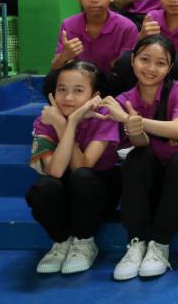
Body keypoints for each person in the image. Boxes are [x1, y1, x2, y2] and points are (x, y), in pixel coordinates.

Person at [104, 35, 178, 281]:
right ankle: (136, 242)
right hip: (153, 189)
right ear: (133, 60)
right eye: (145, 59)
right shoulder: (124, 100)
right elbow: (138, 143)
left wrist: (129, 119)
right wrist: (131, 124)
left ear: (170, 67)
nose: (151, 68)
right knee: (138, 157)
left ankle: (160, 243)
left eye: (160, 63)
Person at [25, 61, 120, 275]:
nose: (68, 98)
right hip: (65, 188)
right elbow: (55, 172)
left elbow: (82, 166)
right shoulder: (46, 119)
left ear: (94, 96)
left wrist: (67, 123)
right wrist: (63, 124)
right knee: (44, 188)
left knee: (82, 177)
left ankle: (85, 241)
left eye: (78, 91)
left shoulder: (105, 115)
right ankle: (61, 241)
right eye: (62, 90)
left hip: (97, 191)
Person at [45, 0, 138, 97]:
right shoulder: (68, 25)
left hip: (110, 84)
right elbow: (55, 67)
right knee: (51, 79)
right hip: (78, 82)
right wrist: (64, 56)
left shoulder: (127, 27)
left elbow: (128, 71)